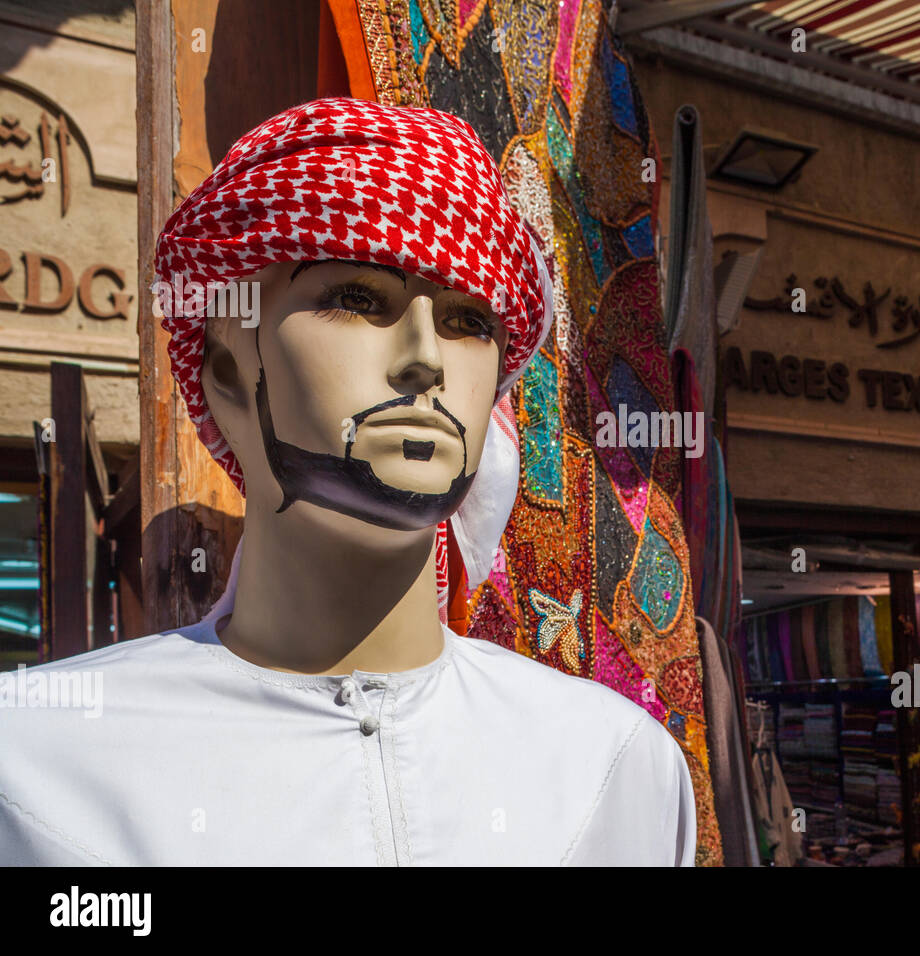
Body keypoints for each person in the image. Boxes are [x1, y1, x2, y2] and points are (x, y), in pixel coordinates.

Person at [0, 98, 696, 866]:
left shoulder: (616, 767)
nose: (425, 359)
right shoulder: (34, 768)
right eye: (357, 300)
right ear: (228, 374)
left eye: (468, 322)